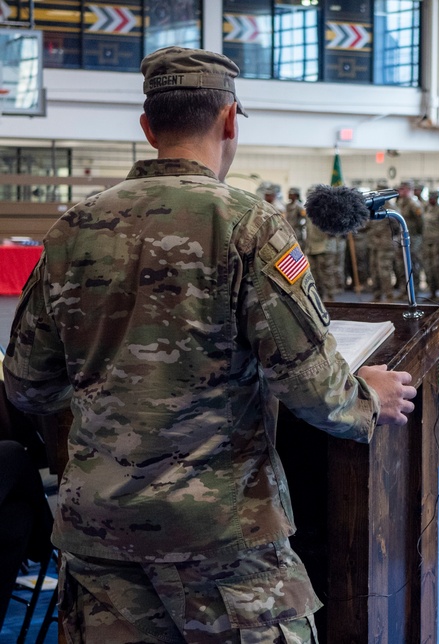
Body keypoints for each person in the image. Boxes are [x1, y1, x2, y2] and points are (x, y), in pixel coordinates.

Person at [3, 47, 417, 643]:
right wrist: (364, 399)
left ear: (147, 128)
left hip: (101, 536)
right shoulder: (251, 225)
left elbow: (28, 384)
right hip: (221, 539)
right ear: (229, 120)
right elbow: (307, 380)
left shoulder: (72, 228)